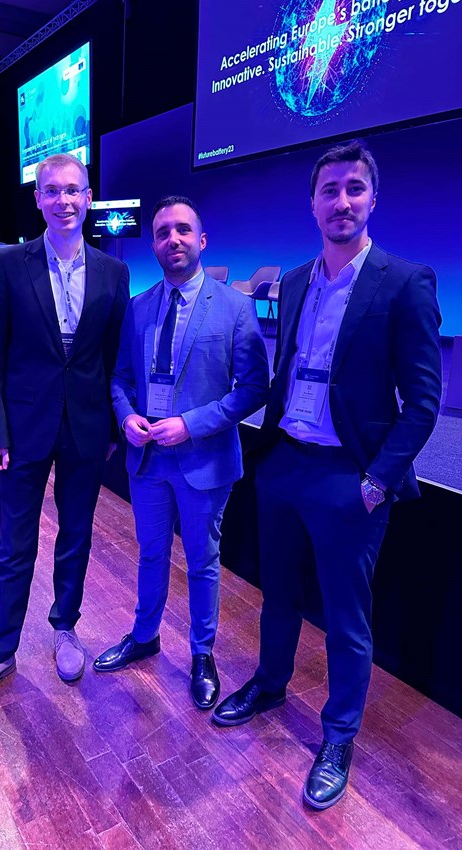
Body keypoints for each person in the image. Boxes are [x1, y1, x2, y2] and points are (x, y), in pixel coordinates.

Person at [213, 141, 442, 809]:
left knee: (346, 620)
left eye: (353, 189)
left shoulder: (405, 282)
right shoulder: (290, 282)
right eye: (329, 190)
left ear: (372, 198)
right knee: (277, 597)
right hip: (284, 464)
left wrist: (375, 482)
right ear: (312, 204)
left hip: (350, 479)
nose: (341, 201)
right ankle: (269, 684)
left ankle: (338, 736)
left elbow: (423, 402)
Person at [0, 154, 129, 712]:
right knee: (14, 544)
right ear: (38, 199)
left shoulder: (114, 272)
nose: (64, 201)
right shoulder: (8, 265)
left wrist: (113, 425)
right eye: (53, 191)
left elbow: (114, 359)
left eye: (73, 190)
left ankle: (65, 628)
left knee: (76, 535)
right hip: (24, 428)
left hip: (87, 428)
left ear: (89, 197)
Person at [93, 196, 269, 710]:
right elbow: (120, 377)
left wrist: (191, 425)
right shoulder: (137, 308)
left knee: (202, 562)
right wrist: (126, 415)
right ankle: (144, 636)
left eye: (184, 230)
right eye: (163, 232)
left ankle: (201, 654)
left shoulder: (234, 307)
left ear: (202, 240)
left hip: (203, 460)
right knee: (150, 553)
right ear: (153, 244)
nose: (173, 239)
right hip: (147, 460)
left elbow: (254, 387)